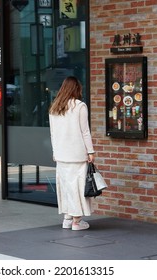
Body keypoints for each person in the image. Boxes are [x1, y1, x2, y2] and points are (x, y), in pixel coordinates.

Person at [49, 76, 95, 231]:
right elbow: (85, 132)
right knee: (78, 186)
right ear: (77, 88)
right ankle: (77, 221)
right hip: (77, 153)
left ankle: (67, 219)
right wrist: (90, 151)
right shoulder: (80, 106)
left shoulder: (54, 107)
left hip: (61, 154)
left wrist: (55, 152)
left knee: (66, 186)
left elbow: (53, 134)